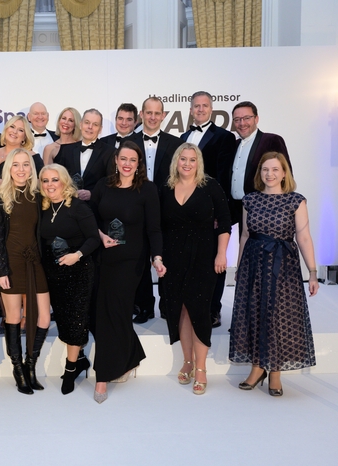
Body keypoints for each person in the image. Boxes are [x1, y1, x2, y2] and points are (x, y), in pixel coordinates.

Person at [229, 152, 318, 397]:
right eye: (265, 169)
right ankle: (258, 368)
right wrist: (239, 267)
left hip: (283, 267)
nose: (270, 174)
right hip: (253, 265)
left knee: (279, 316)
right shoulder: (250, 200)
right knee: (254, 313)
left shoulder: (296, 201)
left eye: (275, 169)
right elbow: (245, 236)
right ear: (260, 173)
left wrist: (312, 272)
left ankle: (275, 371)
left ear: (284, 173)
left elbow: (303, 237)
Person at [90, 141, 166, 403]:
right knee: (106, 313)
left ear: (139, 163)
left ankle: (102, 377)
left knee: (112, 313)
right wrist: (100, 235)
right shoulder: (103, 185)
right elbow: (90, 218)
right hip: (102, 259)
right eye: (123, 158)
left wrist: (157, 257)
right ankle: (130, 356)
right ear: (116, 159)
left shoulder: (147, 189)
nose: (127, 164)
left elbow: (154, 228)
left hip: (130, 262)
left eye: (133, 160)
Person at [158, 143, 231, 395]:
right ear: (176, 162)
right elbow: (158, 226)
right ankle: (187, 361)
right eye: (183, 159)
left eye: (192, 159)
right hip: (173, 259)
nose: (187, 163)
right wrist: (158, 258)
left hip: (203, 257)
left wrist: (221, 253)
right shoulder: (166, 188)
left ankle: (201, 368)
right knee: (181, 310)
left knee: (199, 311)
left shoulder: (210, 186)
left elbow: (225, 222)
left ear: (198, 162)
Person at [0, 148, 51, 395]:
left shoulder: (39, 195)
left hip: (35, 262)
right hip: (12, 263)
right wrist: (1, 270)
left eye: (26, 164)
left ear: (32, 168)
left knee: (44, 317)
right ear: (8, 168)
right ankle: (18, 369)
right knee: (13, 317)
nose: (21, 169)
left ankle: (30, 364)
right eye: (16, 165)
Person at [38, 164, 99, 395]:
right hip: (53, 272)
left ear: (64, 181)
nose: (50, 185)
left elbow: (93, 238)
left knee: (76, 320)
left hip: (78, 270)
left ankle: (70, 368)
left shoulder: (78, 207)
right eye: (45, 180)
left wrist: (77, 255)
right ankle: (80, 359)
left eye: (55, 180)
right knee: (63, 319)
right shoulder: (43, 207)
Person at [180, 91, 237, 329]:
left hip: (211, 212)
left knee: (215, 262)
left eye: (205, 106)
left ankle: (213, 309)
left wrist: (217, 213)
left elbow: (224, 177)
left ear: (211, 109)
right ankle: (192, 307)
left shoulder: (224, 137)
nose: (201, 109)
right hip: (187, 211)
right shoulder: (184, 136)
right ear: (191, 110)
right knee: (191, 261)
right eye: (197, 106)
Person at [128, 96, 183, 324]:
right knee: (139, 258)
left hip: (167, 208)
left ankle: (167, 306)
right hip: (136, 208)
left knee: (166, 257)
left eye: (157, 113)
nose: (152, 117)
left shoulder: (176, 143)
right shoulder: (128, 142)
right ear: (141, 115)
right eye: (148, 113)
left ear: (163, 116)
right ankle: (144, 307)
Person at [222, 101, 292, 226]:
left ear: (256, 119)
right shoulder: (234, 145)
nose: (242, 123)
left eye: (247, 118)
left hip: (265, 210)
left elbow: (285, 174)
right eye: (237, 120)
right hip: (236, 211)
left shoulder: (271, 140)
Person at [53, 109, 115, 202]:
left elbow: (111, 183)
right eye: (87, 122)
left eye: (95, 124)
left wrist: (92, 194)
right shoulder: (66, 150)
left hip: (95, 206)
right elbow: (59, 179)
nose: (90, 127)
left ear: (100, 129)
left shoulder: (110, 152)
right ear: (81, 124)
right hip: (69, 205)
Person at [0, 115, 44, 190]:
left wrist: (5, 183)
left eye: (20, 130)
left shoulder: (31, 157)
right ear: (6, 129)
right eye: (12, 127)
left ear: (25, 136)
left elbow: (42, 182)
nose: (14, 131)